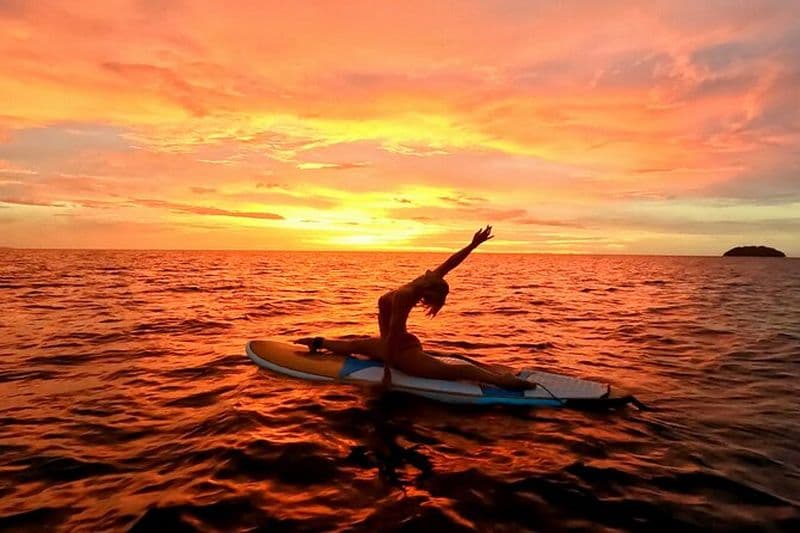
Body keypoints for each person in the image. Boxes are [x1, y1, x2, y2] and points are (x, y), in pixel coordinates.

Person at [296, 226, 534, 390]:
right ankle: (317, 342)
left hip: (400, 349)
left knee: (455, 371)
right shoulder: (425, 281)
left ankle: (502, 381)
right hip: (388, 341)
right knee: (354, 345)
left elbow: (394, 337)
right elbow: (451, 262)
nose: (426, 304)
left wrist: (387, 373)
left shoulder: (407, 294)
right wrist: (473, 244)